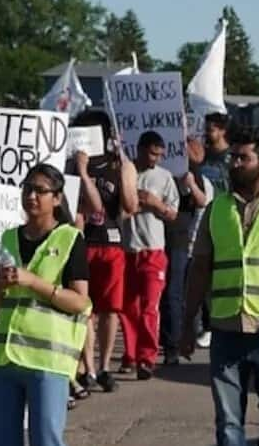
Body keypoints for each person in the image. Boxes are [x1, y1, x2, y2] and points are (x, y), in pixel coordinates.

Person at [181, 137, 259, 446]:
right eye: (233, 158)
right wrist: (188, 323)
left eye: (243, 158)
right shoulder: (217, 209)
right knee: (228, 424)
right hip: (226, 328)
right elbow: (199, 269)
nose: (235, 163)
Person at [0, 164, 91, 446]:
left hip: (47, 360)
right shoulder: (8, 237)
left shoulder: (70, 239)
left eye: (40, 190)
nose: (31, 195)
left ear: (56, 198)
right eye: (27, 188)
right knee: (1, 440)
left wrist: (34, 282)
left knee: (46, 440)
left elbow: (80, 301)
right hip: (2, 358)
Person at [70, 110, 137, 394]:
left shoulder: (119, 164)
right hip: (82, 244)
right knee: (85, 309)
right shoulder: (72, 164)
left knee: (110, 310)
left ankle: (105, 365)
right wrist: (81, 171)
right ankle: (88, 367)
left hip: (110, 244)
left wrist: (124, 174)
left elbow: (130, 207)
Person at [118, 131, 179, 380]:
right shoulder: (126, 172)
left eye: (159, 155)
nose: (155, 159)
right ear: (141, 149)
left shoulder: (164, 177)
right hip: (128, 249)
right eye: (152, 153)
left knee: (150, 307)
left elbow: (174, 213)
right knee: (128, 307)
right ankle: (130, 355)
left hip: (153, 250)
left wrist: (156, 205)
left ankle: (146, 358)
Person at [161, 138, 213, 365]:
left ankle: (173, 345)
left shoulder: (193, 172)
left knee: (175, 293)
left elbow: (202, 201)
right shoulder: (157, 170)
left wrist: (190, 183)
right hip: (153, 237)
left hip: (179, 240)